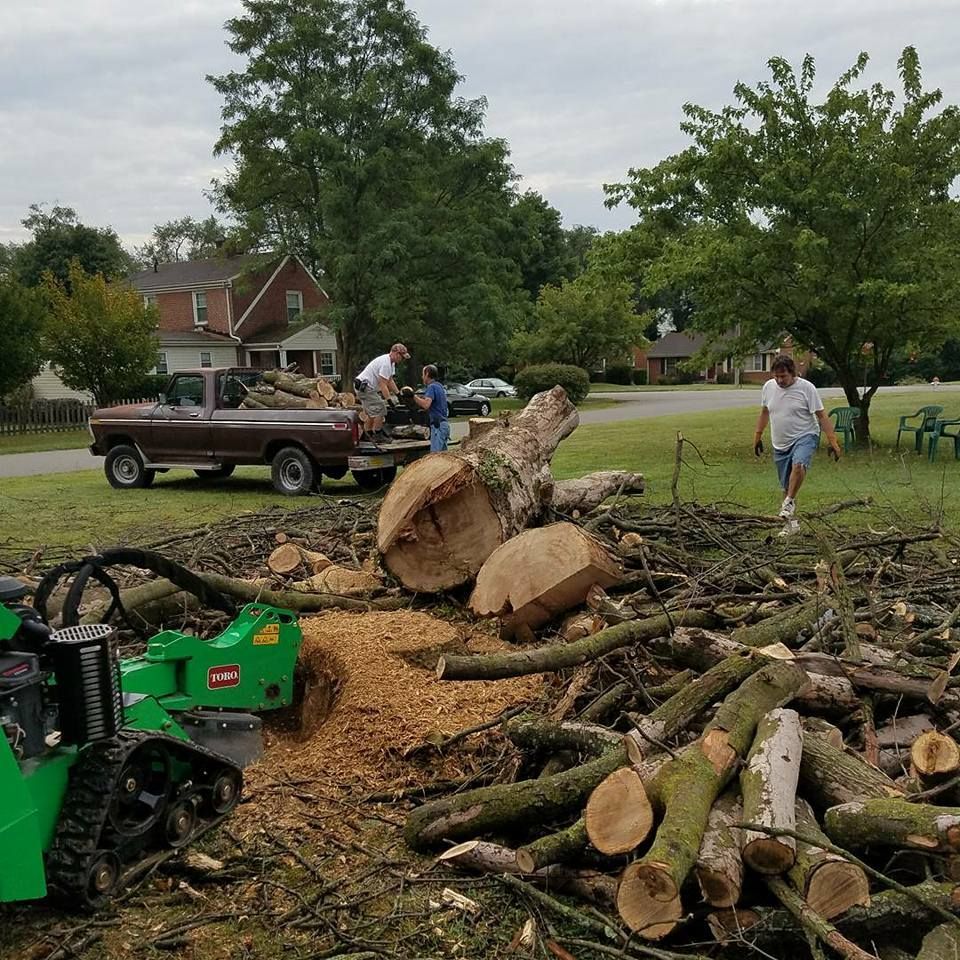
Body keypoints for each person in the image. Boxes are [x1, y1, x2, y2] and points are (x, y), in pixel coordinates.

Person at [753, 354, 842, 531]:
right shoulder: (768, 387)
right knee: (786, 485)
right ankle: (790, 526)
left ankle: (789, 502)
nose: (779, 380)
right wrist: (758, 435)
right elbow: (765, 412)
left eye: (783, 376)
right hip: (780, 442)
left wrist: (833, 441)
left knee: (799, 465)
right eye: (776, 376)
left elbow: (821, 415)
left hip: (805, 435)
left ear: (792, 373)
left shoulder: (807, 388)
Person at [353, 343, 410, 439]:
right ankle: (378, 434)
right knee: (381, 408)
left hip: (365, 387)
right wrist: (389, 400)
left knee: (372, 414)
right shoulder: (385, 363)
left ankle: (367, 435)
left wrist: (398, 394)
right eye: (402, 357)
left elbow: (390, 380)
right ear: (396, 353)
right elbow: (382, 384)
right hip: (364, 388)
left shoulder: (390, 363)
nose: (402, 359)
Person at [414, 364, 450, 452]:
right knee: (443, 457)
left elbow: (426, 405)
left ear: (427, 374)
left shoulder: (431, 387)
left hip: (438, 427)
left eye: (423, 374)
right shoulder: (439, 386)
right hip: (444, 425)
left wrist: (413, 396)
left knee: (434, 456)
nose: (422, 377)